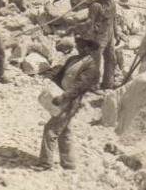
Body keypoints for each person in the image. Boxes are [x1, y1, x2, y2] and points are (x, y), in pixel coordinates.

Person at [37, 35, 100, 170]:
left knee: (51, 130)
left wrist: (64, 97)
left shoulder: (91, 67)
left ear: (89, 48)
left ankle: (45, 163)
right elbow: (59, 72)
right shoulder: (73, 59)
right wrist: (49, 76)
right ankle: (69, 163)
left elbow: (79, 86)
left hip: (70, 102)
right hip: (63, 96)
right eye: (79, 46)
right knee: (64, 130)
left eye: (83, 46)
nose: (80, 48)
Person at [87, 0, 121, 89]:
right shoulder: (95, 5)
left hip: (110, 36)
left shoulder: (112, 4)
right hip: (99, 37)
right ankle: (93, 85)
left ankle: (108, 83)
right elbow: (90, 23)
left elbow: (114, 19)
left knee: (111, 58)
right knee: (96, 61)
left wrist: (117, 33)